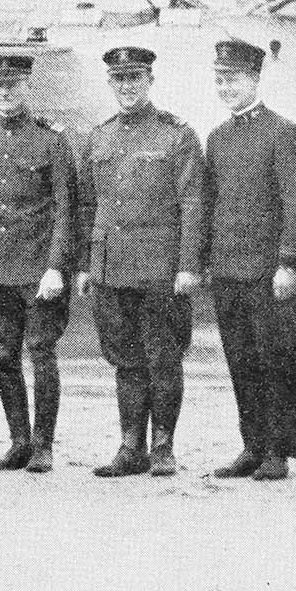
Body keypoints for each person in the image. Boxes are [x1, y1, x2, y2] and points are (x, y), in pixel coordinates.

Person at [76, 45, 204, 477]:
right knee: (125, 359)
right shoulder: (99, 137)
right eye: (119, 80)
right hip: (111, 267)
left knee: (163, 356)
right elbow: (87, 206)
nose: (127, 87)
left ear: (150, 81)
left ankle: (163, 446)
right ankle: (131, 446)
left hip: (159, 268)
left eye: (135, 79)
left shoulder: (177, 135)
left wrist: (187, 265)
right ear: (110, 83)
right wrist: (86, 266)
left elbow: (192, 204)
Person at [199, 37, 296, 481]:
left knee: (276, 357)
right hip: (229, 269)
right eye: (220, 80)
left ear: (255, 79)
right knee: (240, 358)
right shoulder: (217, 138)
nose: (227, 87)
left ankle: (278, 450)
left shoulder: (284, 133)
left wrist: (290, 263)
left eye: (234, 79)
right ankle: (252, 445)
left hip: (269, 273)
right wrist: (208, 260)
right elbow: (211, 204)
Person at [0, 49, 76, 472]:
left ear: (27, 85)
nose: (6, 92)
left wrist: (56, 267)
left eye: (14, 85)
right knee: (4, 356)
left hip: (37, 270)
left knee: (41, 352)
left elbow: (66, 210)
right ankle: (19, 441)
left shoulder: (52, 139)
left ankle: (43, 445)